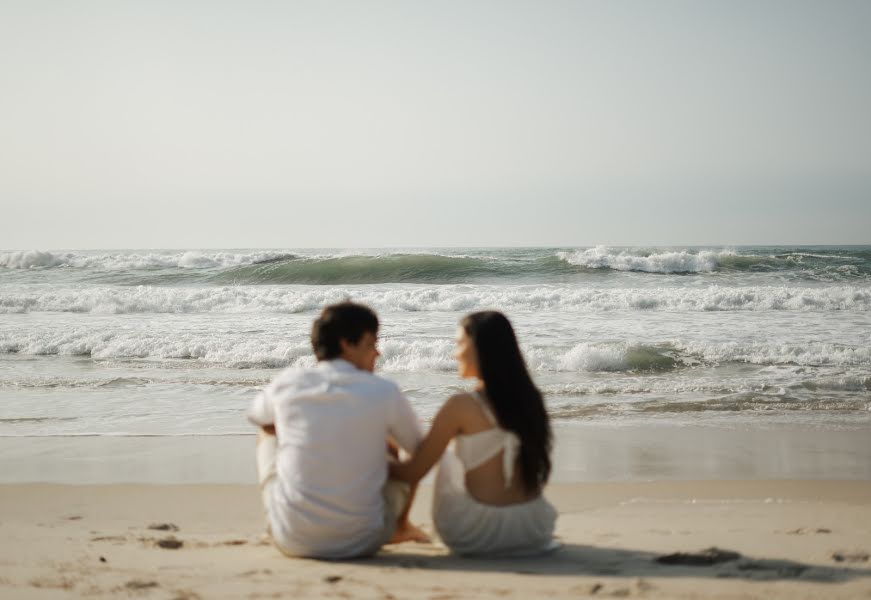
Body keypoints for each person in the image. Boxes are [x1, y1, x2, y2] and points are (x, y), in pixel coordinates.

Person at [248, 301, 428, 559]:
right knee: (392, 441)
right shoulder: (383, 391)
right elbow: (419, 451)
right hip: (365, 540)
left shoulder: (288, 382)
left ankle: (289, 510)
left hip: (291, 539)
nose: (377, 353)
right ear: (346, 344)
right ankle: (400, 526)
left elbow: (259, 418)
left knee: (267, 430)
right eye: (371, 344)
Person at [390, 311, 558, 556]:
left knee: (438, 454)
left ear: (479, 348)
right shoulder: (532, 400)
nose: (454, 353)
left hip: (476, 533)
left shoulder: (461, 406)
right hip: (532, 527)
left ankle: (400, 525)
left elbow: (414, 472)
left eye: (459, 344)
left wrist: (376, 461)